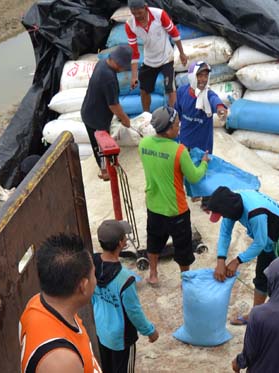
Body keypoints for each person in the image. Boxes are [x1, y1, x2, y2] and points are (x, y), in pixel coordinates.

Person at [203, 186, 279, 326]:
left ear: (228, 211)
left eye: (223, 216)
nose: (224, 218)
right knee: (261, 277)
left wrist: (237, 260)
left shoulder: (255, 212)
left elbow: (260, 242)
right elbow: (225, 234)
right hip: (268, 239)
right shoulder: (231, 202)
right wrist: (220, 261)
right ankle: (256, 315)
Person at [138, 106, 209, 284]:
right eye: (177, 125)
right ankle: (185, 280)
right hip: (176, 209)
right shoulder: (179, 151)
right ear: (168, 129)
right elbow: (194, 176)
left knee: (154, 242)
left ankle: (153, 274)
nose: (179, 127)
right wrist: (204, 163)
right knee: (183, 248)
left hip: (154, 205)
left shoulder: (143, 144)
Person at [19, 234, 102, 373]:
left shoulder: (37, 303)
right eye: (93, 274)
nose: (96, 280)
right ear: (83, 285)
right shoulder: (61, 363)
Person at [91, 220, 159, 373]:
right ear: (121, 243)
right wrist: (149, 331)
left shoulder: (92, 264)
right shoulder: (125, 279)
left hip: (101, 330)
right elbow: (134, 312)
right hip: (121, 338)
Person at [81, 45, 133, 181]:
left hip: (91, 109)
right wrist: (125, 119)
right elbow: (114, 105)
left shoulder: (102, 64)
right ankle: (105, 171)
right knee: (100, 145)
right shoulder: (108, 78)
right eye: (123, 67)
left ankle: (106, 166)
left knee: (98, 142)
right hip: (96, 117)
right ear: (118, 63)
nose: (123, 70)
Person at [125, 0, 188, 111]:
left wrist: (182, 53)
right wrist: (134, 76)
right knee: (144, 90)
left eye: (139, 12)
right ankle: (146, 115)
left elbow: (174, 33)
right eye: (134, 13)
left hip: (166, 58)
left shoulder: (159, 14)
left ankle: (174, 116)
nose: (137, 16)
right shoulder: (130, 24)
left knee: (170, 89)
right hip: (149, 60)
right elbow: (134, 53)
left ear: (145, 7)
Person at [175, 61, 228, 154]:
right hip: (184, 145)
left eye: (206, 76)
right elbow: (176, 115)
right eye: (199, 75)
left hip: (202, 151)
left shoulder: (208, 95)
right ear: (192, 76)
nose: (203, 79)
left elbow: (214, 100)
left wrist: (220, 108)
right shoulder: (182, 92)